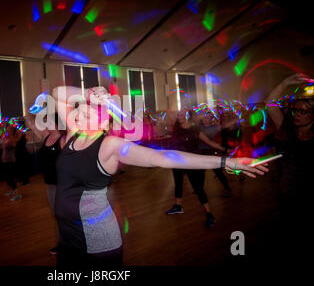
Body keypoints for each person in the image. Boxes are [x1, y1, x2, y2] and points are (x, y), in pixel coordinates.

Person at [45, 86, 268, 267]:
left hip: (97, 238)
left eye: (86, 114)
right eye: (78, 111)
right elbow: (57, 93)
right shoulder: (74, 134)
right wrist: (90, 95)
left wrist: (226, 161)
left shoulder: (109, 145)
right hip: (67, 237)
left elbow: (163, 158)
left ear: (104, 124)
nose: (76, 115)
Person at [265, 74, 313, 261]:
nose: (298, 115)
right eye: (296, 111)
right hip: (287, 193)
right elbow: (270, 103)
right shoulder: (287, 129)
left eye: (304, 112)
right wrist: (285, 82)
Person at [165, 110, 216, 228]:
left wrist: (223, 149)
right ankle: (178, 206)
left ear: (188, 116)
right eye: (179, 115)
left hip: (190, 162)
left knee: (198, 188)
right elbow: (169, 125)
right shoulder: (177, 127)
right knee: (178, 184)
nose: (180, 116)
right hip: (177, 161)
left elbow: (208, 142)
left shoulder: (194, 129)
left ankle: (209, 213)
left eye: (182, 114)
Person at [26, 113, 65, 255]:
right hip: (50, 184)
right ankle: (63, 243)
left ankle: (67, 244)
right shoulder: (46, 136)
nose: (46, 124)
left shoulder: (63, 139)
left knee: (63, 216)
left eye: (49, 121)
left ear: (57, 124)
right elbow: (30, 123)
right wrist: (31, 112)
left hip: (62, 185)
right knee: (57, 215)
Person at [198, 109, 233, 197]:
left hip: (212, 151)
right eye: (205, 117)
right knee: (200, 172)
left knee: (218, 172)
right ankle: (199, 189)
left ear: (212, 119)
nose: (207, 119)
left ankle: (228, 189)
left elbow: (225, 126)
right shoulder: (199, 127)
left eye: (209, 118)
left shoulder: (215, 127)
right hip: (201, 152)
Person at [1, 125, 22, 201]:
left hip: (10, 161)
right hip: (5, 160)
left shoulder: (12, 139)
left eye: (9, 130)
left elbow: (13, 146)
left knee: (11, 178)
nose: (7, 131)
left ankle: (18, 195)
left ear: (12, 131)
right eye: (7, 129)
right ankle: (13, 191)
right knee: (7, 178)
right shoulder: (5, 138)